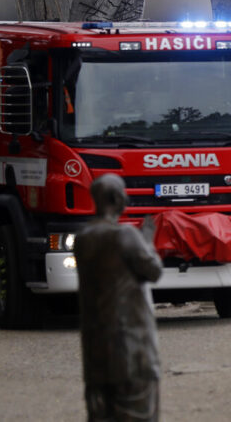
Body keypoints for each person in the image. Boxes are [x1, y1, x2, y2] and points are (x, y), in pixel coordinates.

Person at [75, 174, 163, 421]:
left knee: (101, 413)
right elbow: (153, 271)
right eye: (124, 193)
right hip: (130, 346)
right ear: (116, 198)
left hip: (95, 345)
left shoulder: (83, 238)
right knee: (138, 412)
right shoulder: (125, 235)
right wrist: (148, 242)